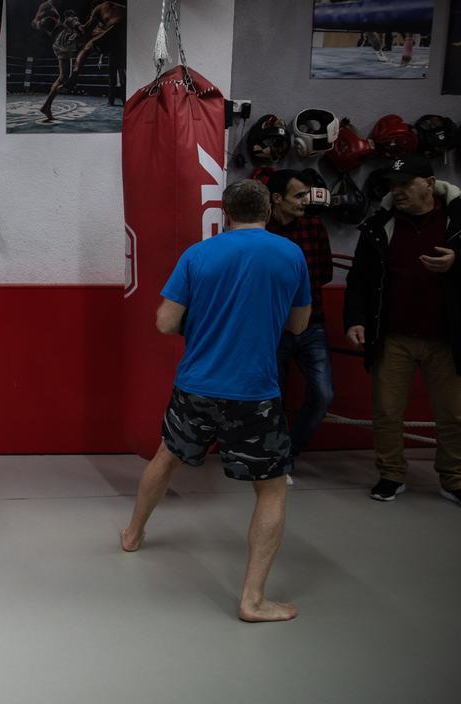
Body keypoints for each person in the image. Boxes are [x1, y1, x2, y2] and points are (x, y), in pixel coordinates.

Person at [119, 179, 311, 623]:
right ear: (267, 210)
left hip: (197, 386)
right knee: (271, 488)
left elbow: (166, 323)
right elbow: (300, 326)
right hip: (255, 392)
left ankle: (132, 535)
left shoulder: (198, 254)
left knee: (166, 456)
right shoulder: (290, 255)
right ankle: (253, 600)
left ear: (225, 213)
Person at [344, 155, 461, 506]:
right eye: (393, 186)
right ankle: (391, 474)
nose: (397, 193)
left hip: (448, 337)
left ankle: (454, 478)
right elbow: (358, 280)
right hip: (393, 336)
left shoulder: (459, 218)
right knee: (387, 411)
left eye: (405, 185)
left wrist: (458, 262)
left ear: (428, 182)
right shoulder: (379, 223)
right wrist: (355, 319)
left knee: (454, 414)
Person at [266, 170, 335, 479]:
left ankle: (290, 452)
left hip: (312, 325)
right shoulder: (261, 231)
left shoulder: (315, 227)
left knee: (323, 394)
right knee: (273, 397)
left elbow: (324, 274)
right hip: (271, 329)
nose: (305, 201)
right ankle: (278, 460)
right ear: (277, 198)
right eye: (298, 195)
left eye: (306, 195)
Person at [58, 0, 126, 104]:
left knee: (86, 48)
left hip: (117, 28)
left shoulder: (99, 7)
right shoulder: (115, 9)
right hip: (127, 33)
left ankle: (74, 77)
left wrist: (74, 23)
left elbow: (85, 30)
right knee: (115, 66)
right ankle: (116, 99)